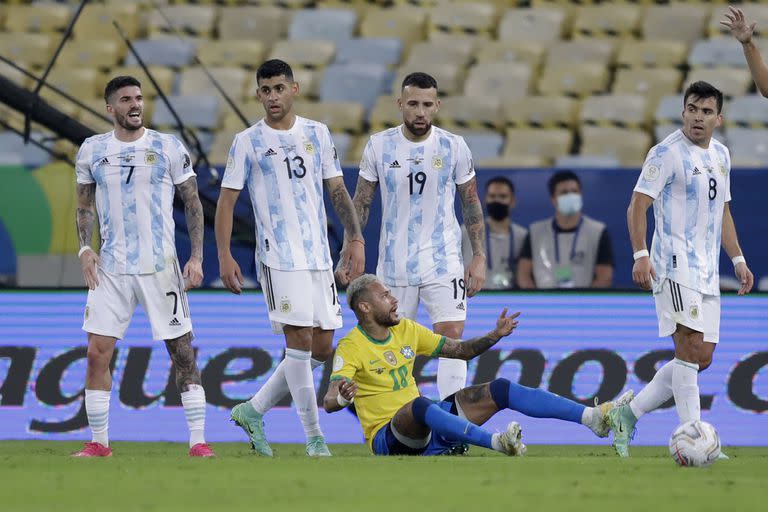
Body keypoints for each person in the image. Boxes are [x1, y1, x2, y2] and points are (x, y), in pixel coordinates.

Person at [215, 59, 365, 457]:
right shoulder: (247, 141)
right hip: (278, 256)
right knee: (298, 343)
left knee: (322, 346)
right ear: (258, 94)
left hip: (318, 253)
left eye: (279, 88)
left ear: (294, 89)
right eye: (265, 90)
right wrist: (225, 255)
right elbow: (226, 202)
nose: (272, 97)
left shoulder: (317, 133)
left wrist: (354, 239)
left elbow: (337, 191)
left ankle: (253, 409)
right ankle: (314, 437)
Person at [323, 274, 633, 456]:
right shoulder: (351, 346)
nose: (393, 299)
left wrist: (495, 334)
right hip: (390, 437)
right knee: (418, 405)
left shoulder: (407, 329)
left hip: (429, 425)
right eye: (384, 295)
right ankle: (498, 443)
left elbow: (460, 351)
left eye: (391, 293)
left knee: (499, 390)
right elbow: (329, 401)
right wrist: (340, 398)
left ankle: (592, 418)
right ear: (364, 307)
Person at [608, 80, 754, 457]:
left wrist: (737, 259)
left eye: (707, 111)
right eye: (693, 109)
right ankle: (695, 438)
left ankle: (629, 413)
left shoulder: (721, 155)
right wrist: (641, 253)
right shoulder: (666, 153)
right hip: (673, 264)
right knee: (688, 345)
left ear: (719, 118)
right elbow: (637, 205)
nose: (698, 117)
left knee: (701, 357)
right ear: (683, 111)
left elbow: (723, 211)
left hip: (707, 269)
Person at [73, 76, 213, 457]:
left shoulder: (167, 146)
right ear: (110, 108)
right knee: (96, 352)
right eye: (125, 99)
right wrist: (86, 248)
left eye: (138, 98)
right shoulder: (92, 150)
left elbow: (194, 203)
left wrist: (197, 257)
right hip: (111, 268)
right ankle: (99, 443)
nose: (135, 104)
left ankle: (198, 441)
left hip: (160, 267)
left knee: (181, 352)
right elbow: (84, 206)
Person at [344, 72, 487, 400]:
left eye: (426, 104)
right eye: (412, 104)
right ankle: (398, 421)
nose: (420, 112)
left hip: (444, 259)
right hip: (395, 264)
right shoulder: (379, 145)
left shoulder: (454, 146)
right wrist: (350, 246)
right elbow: (361, 201)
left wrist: (478, 256)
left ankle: (453, 421)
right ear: (400, 105)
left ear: (437, 106)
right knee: (391, 341)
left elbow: (471, 203)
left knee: (452, 336)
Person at [516, 171, 613, 289]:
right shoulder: (535, 231)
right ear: (553, 199)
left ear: (581, 195)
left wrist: (584, 303)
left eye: (574, 191)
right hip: (544, 303)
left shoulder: (598, 231)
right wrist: (537, 302)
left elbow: (604, 277)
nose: (570, 196)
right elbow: (523, 274)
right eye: (564, 192)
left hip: (583, 303)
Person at [461, 176, 527, 289]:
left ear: (512, 201)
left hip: (511, 298)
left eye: (503, 196)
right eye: (492, 196)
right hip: (473, 297)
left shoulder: (522, 235)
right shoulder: (466, 232)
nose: (497, 200)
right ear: (485, 200)